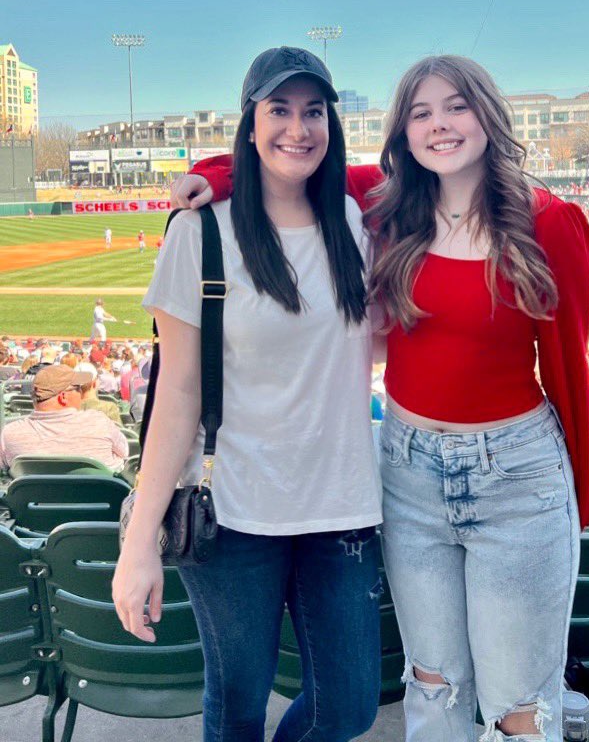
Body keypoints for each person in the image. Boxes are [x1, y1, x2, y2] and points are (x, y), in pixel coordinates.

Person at [174, 53, 589, 742]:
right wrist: (215, 172)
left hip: (517, 476)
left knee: (518, 710)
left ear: (487, 113)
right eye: (421, 111)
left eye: (456, 106)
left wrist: (582, 495)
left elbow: (568, 374)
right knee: (431, 684)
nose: (440, 125)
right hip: (409, 471)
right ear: (403, 130)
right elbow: (296, 162)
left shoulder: (549, 223)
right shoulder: (388, 204)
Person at [112, 47, 382, 742]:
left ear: (332, 123)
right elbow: (175, 394)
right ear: (251, 123)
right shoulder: (200, 232)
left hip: (341, 510)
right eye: (280, 110)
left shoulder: (354, 225)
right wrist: (139, 545)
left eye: (313, 111)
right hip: (232, 515)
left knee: (349, 706)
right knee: (235, 708)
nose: (299, 128)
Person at [0, 364, 128, 472]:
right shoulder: (99, 422)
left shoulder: (10, 433)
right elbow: (125, 453)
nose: (81, 393)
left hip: (34, 501)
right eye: (78, 389)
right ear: (63, 397)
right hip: (99, 500)